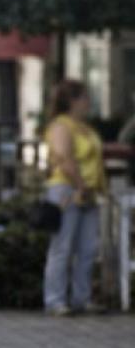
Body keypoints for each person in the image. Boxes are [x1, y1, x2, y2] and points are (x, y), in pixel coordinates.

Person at [43, 79, 106, 316]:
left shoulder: (85, 127)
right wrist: (80, 185)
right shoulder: (61, 126)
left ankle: (82, 297)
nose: (89, 102)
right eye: (85, 97)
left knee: (88, 248)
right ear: (73, 100)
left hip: (89, 191)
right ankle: (55, 300)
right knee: (63, 246)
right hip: (67, 190)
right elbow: (64, 158)